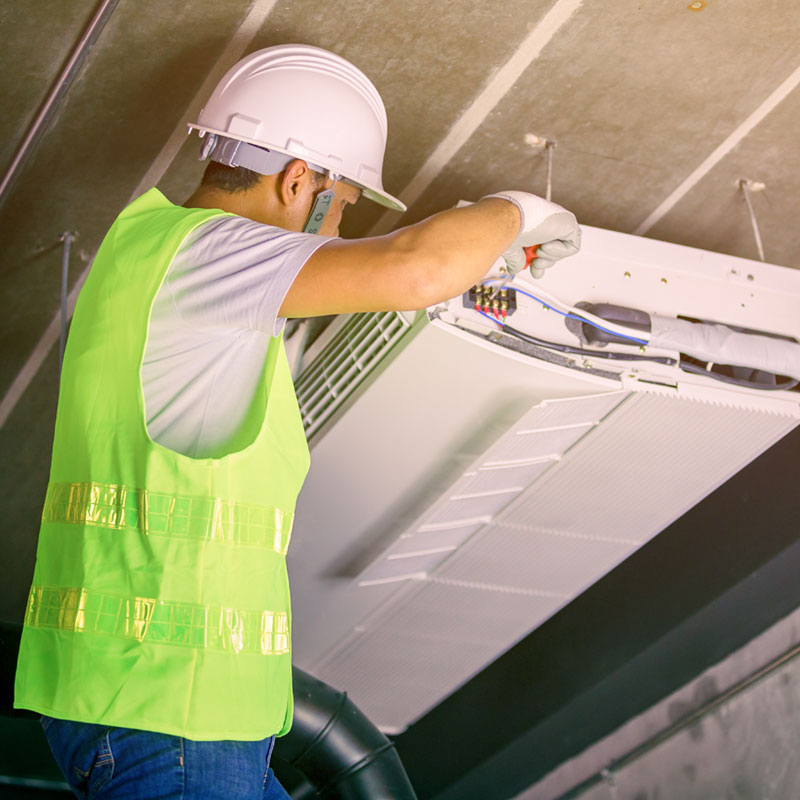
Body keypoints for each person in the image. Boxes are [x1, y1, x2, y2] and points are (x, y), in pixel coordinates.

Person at [14, 44, 581, 798]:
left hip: (167, 711)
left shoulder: (155, 257)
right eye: (343, 202)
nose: (342, 226)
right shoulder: (209, 253)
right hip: (172, 717)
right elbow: (413, 270)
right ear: (296, 181)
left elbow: (385, 273)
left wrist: (494, 261)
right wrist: (518, 211)